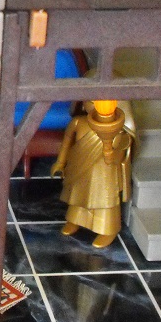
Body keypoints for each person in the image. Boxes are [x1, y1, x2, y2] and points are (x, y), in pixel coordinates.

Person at [50, 100, 135, 248]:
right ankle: (75, 220)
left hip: (105, 173)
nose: (97, 105)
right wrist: (60, 162)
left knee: (104, 198)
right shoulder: (78, 122)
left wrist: (112, 154)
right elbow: (67, 142)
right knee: (78, 194)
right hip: (80, 168)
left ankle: (108, 229)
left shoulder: (118, 129)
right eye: (91, 101)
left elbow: (121, 151)